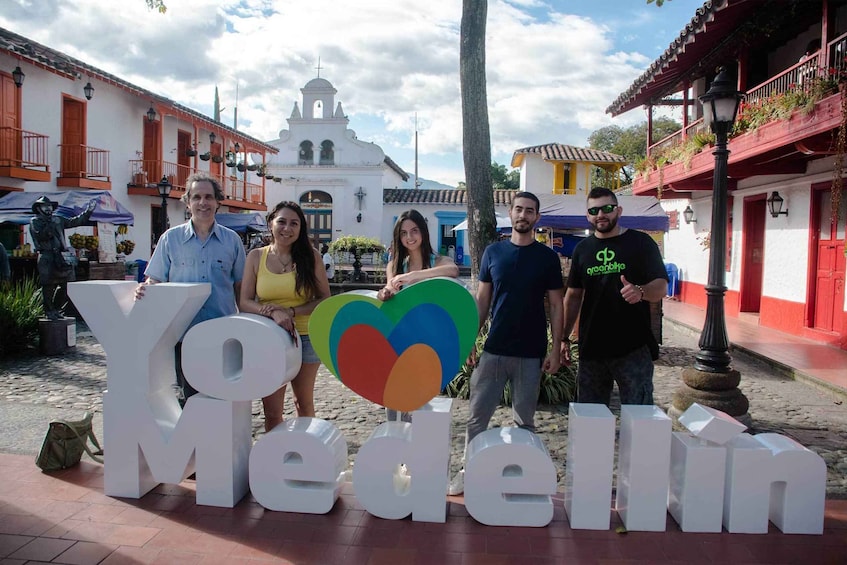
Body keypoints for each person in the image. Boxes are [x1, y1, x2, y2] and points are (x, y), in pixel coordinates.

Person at [450, 192, 564, 495]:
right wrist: (470, 339)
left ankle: (518, 477)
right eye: (518, 209)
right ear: (510, 213)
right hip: (494, 351)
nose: (523, 215)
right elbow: (482, 300)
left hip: (531, 354)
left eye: (529, 211)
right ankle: (467, 472)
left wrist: (555, 348)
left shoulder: (547, 258)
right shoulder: (493, 253)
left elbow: (556, 305)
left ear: (537, 217)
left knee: (524, 422)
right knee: (476, 420)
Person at [135, 172, 246, 406]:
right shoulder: (170, 239)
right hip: (184, 335)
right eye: (196, 197)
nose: (202, 203)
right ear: (187, 202)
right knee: (191, 397)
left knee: (223, 397)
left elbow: (240, 287)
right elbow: (155, 279)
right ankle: (193, 442)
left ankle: (219, 442)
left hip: (223, 335)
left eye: (208, 197)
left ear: (218, 201)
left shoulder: (232, 241)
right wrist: (146, 289)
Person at [561, 187, 669, 407]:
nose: (601, 214)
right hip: (592, 347)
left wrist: (640, 292)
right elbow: (573, 296)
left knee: (639, 416)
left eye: (607, 208)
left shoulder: (641, 243)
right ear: (587, 216)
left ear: (618, 210)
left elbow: (661, 286)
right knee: (590, 418)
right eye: (594, 210)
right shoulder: (582, 250)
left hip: (633, 347)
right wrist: (563, 338)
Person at [239, 201, 330, 431]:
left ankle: (307, 458)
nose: (287, 228)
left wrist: (290, 312)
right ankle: (272, 463)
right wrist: (272, 312)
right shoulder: (256, 257)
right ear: (271, 224)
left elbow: (324, 300)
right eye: (282, 221)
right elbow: (244, 301)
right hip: (269, 339)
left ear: (300, 229)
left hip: (306, 336)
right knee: (271, 410)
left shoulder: (312, 258)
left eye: (294, 223)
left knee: (304, 403)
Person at [377, 209, 459, 422]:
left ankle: (418, 446)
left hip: (428, 341)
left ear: (423, 232)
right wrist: (384, 293)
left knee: (421, 398)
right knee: (393, 395)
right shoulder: (394, 266)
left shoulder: (437, 261)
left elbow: (453, 270)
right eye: (404, 233)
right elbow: (389, 289)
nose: (409, 237)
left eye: (414, 231)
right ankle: (395, 440)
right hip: (400, 337)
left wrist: (414, 275)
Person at [29, 195, 96, 320]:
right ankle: (49, 311)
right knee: (48, 286)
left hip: (60, 256)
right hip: (46, 256)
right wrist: (50, 223)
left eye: (49, 206)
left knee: (66, 285)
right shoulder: (35, 221)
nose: (48, 209)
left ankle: (57, 308)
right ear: (39, 209)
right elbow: (42, 236)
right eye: (45, 206)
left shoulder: (58, 219)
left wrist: (88, 211)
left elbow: (75, 221)